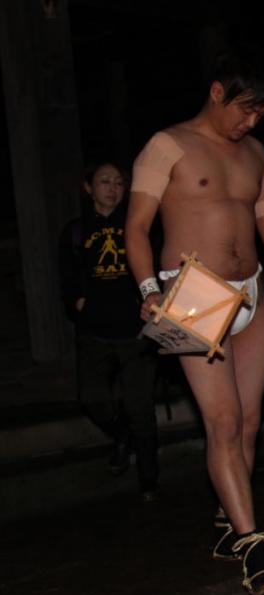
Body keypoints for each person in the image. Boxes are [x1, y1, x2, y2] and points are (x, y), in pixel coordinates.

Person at [125, 50, 264, 595]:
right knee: (225, 422)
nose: (251, 122)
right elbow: (135, 227)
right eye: (245, 109)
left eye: (260, 112)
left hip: (252, 290)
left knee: (250, 421)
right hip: (191, 295)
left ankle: (227, 524)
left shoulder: (254, 151)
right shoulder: (167, 146)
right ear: (216, 92)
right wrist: (150, 291)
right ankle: (253, 546)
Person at [59, 162, 160, 501]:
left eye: (118, 182)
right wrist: (77, 302)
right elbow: (66, 275)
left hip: (135, 332)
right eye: (104, 181)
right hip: (94, 331)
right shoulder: (76, 230)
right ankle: (122, 436)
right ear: (88, 187)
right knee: (92, 398)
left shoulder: (136, 225)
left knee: (140, 407)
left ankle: (149, 481)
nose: (112, 188)